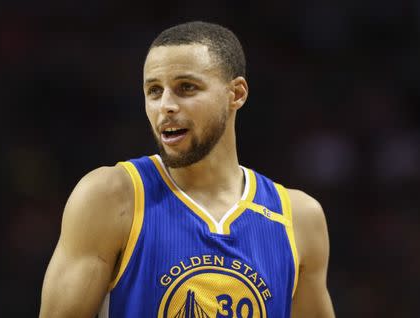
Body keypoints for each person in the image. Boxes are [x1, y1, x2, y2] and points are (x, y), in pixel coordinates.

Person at [39, 21, 335, 318]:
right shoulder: (111, 197)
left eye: (186, 88)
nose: (165, 105)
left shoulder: (298, 218)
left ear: (236, 94)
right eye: (154, 90)